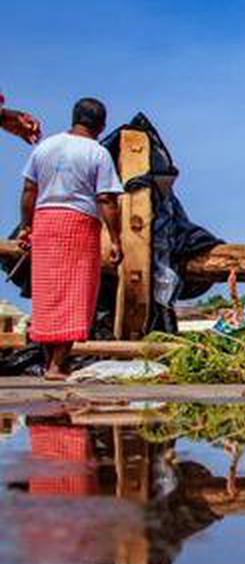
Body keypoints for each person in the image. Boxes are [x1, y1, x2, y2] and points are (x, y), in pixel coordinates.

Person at [18, 98, 123, 380]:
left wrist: (27, 227)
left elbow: (29, 190)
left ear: (74, 118)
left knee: (48, 294)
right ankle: (56, 365)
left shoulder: (46, 147)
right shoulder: (98, 153)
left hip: (45, 221)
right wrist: (115, 239)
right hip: (78, 224)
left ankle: (52, 362)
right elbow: (106, 199)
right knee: (76, 293)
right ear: (101, 125)